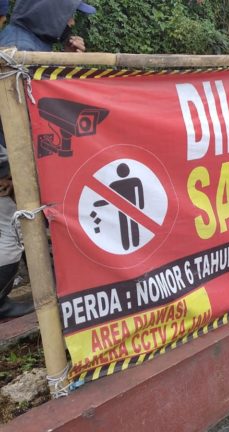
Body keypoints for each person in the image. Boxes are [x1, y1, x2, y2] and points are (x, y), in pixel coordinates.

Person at [0, 0, 96, 318]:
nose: (70, 23)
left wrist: (64, 61)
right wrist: (6, 168)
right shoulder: (15, 48)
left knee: (25, 226)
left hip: (19, 158)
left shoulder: (33, 44)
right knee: (10, 232)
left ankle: (39, 280)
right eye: (68, 14)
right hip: (9, 160)